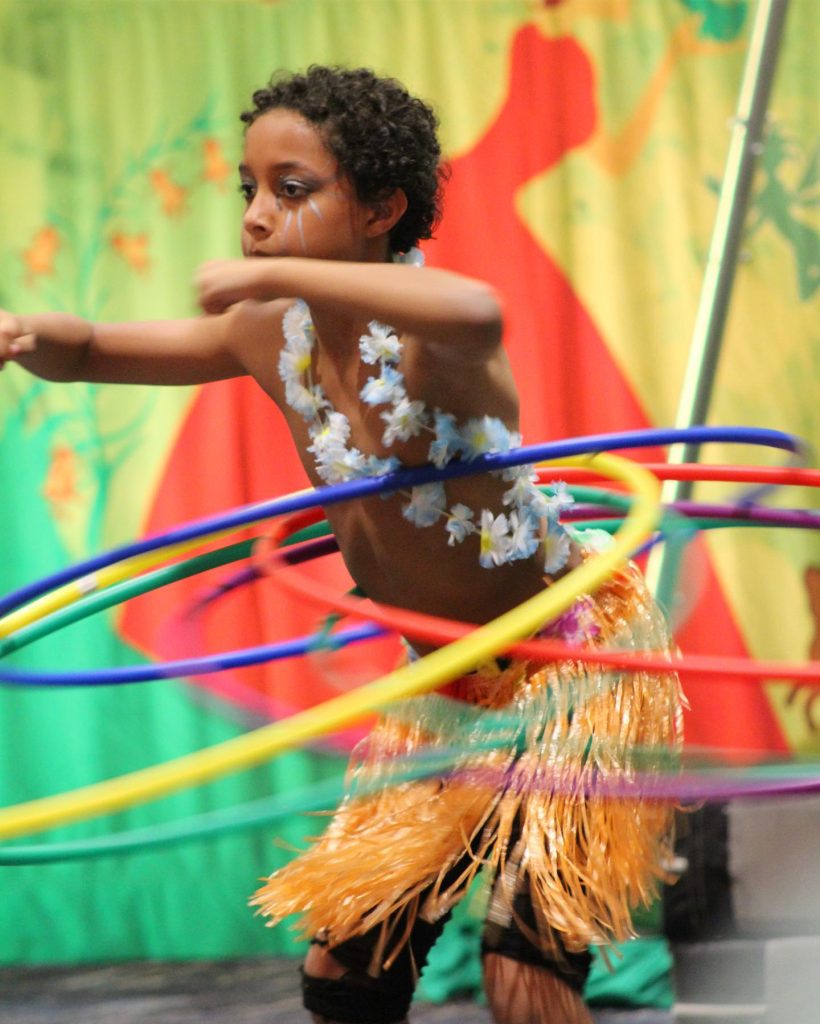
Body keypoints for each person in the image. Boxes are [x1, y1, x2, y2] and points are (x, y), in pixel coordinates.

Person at [0, 65, 682, 1024]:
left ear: (382, 209)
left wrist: (276, 272)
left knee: (522, 976)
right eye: (250, 191)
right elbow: (98, 350)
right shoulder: (266, 337)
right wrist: (29, 333)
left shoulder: (431, 347)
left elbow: (481, 310)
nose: (256, 217)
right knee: (345, 977)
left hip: (570, 672)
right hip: (442, 687)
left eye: (293, 190)